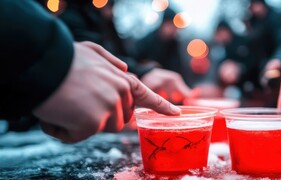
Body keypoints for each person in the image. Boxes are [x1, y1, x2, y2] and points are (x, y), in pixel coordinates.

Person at [0, 0, 180, 143]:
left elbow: (112, 56)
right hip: (26, 131)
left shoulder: (104, 21)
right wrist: (55, 62)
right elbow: (86, 58)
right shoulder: (72, 15)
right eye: (109, 5)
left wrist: (143, 73)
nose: (110, 10)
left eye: (111, 5)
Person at [57, 0, 191, 104]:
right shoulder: (75, 20)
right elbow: (101, 57)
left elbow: (123, 55)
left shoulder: (107, 24)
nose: (111, 11)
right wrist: (144, 70)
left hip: (154, 89)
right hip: (86, 97)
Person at [245, 0, 281, 106]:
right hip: (261, 77)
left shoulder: (277, 17)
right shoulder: (253, 23)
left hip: (280, 69)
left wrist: (278, 59)